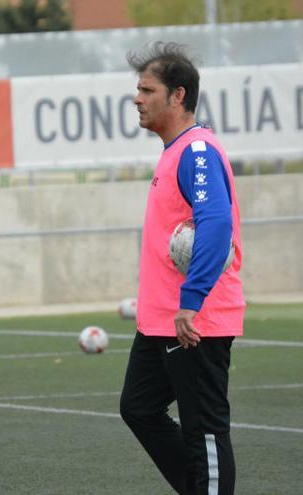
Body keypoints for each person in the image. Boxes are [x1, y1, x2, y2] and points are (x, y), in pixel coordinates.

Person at [119, 42, 244, 495]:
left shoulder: (196, 152)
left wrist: (191, 302)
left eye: (147, 89)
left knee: (205, 431)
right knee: (138, 407)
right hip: (160, 322)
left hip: (194, 322)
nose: (137, 98)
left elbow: (216, 224)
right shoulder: (174, 152)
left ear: (178, 95)